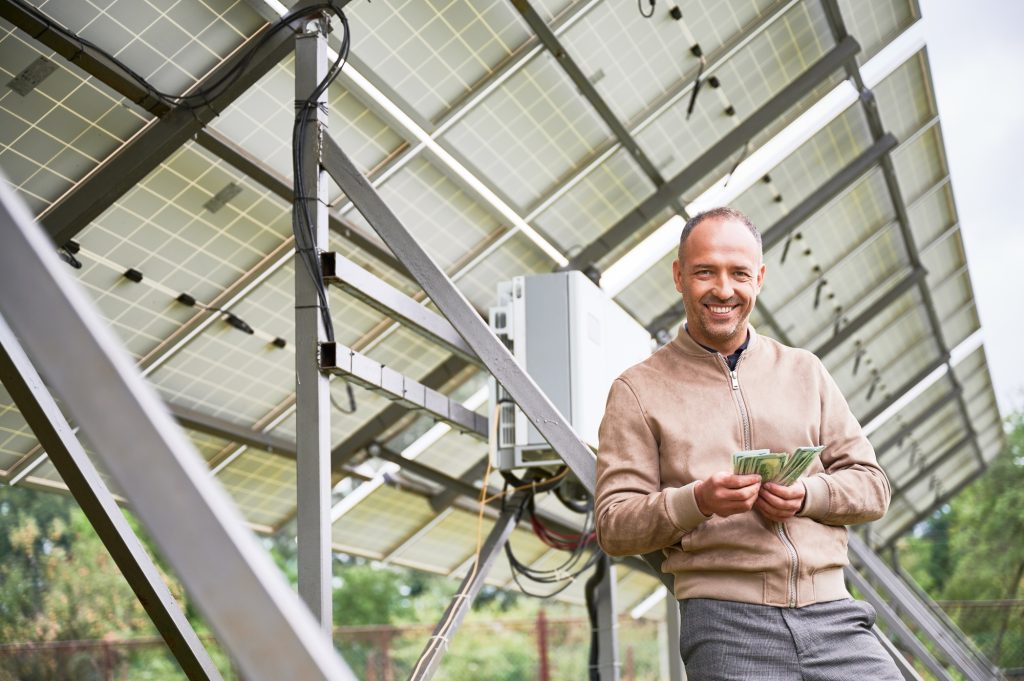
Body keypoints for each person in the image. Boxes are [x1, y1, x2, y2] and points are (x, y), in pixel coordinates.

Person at [595, 207, 900, 680]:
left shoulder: (805, 371)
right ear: (679, 276)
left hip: (835, 614)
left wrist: (807, 496)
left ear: (758, 278)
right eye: (704, 272)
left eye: (739, 273)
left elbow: (872, 487)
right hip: (725, 623)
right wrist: (697, 500)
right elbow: (615, 524)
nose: (723, 289)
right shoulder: (638, 390)